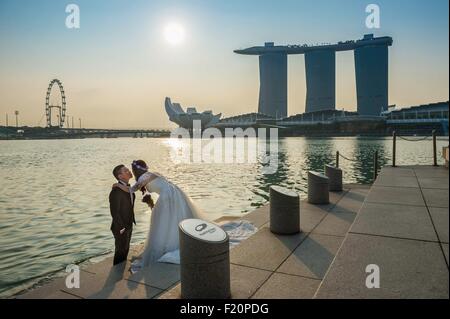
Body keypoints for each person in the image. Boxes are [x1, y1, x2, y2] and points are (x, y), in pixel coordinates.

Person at [113, 160, 206, 267]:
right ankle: (173, 243)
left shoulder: (144, 177)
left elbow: (131, 190)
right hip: (174, 194)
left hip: (167, 197)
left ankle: (168, 246)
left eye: (131, 170)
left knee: (162, 222)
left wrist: (117, 185)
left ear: (136, 170)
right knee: (172, 220)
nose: (131, 172)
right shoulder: (152, 174)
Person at [109, 164, 136, 265]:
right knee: (120, 252)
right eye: (126, 171)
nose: (129, 171)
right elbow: (114, 212)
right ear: (120, 176)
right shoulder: (116, 191)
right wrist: (122, 228)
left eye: (128, 170)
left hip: (128, 224)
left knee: (125, 250)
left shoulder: (129, 188)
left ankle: (120, 272)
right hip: (120, 227)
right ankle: (116, 273)